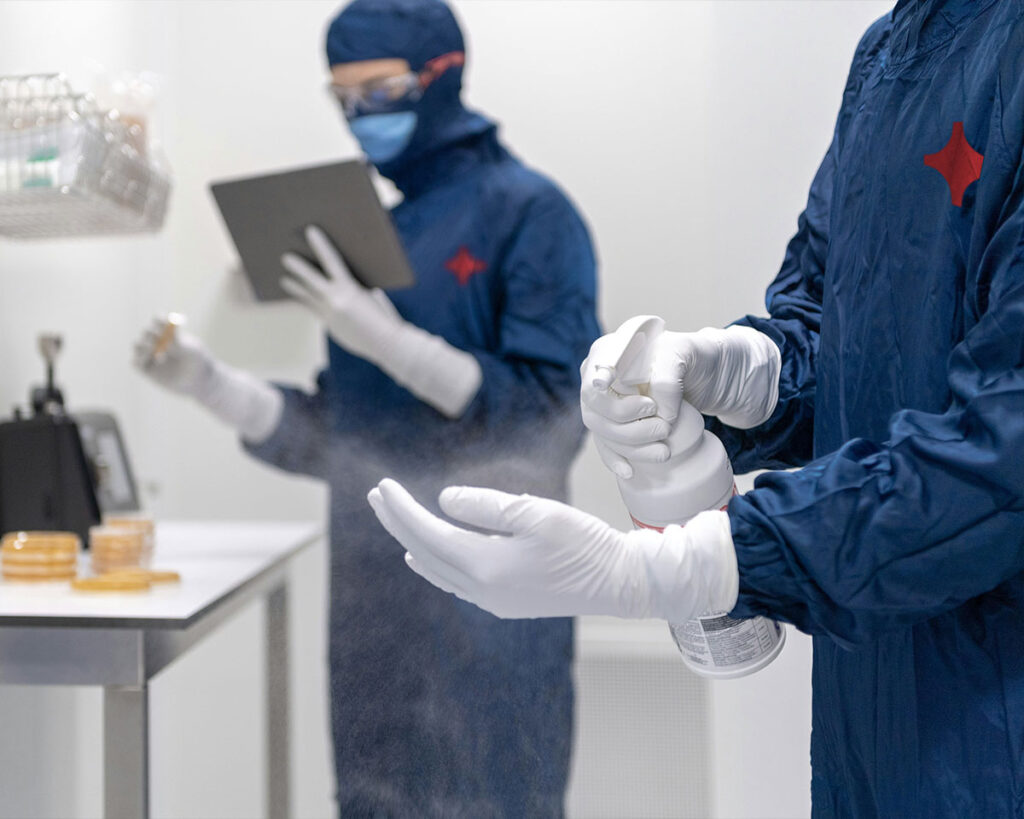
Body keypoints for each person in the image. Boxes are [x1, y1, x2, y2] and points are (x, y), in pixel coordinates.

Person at [367, 1, 1024, 816]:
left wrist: (688, 566)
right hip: (877, 718)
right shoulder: (891, 55)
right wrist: (746, 375)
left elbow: (1004, 454)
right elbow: (840, 321)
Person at [135, 0, 600, 814]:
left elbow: (550, 415)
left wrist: (392, 342)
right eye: (342, 98)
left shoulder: (530, 211)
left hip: (491, 601)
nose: (362, 118)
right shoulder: (366, 238)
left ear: (443, 74)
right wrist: (213, 384)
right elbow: (345, 434)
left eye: (380, 90)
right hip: (374, 603)